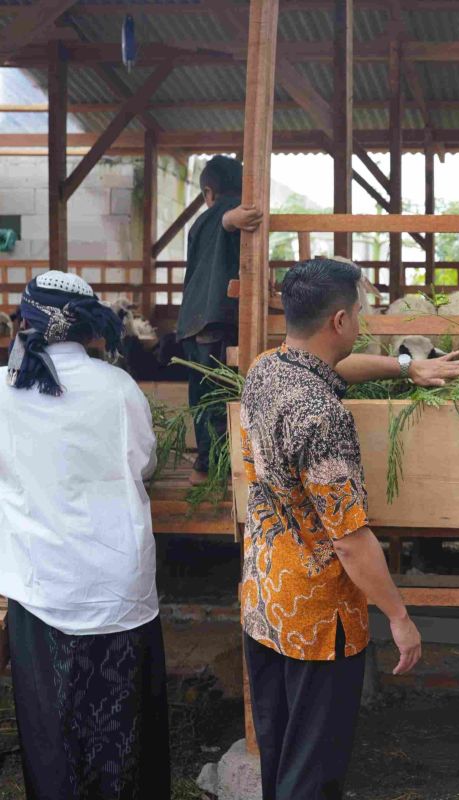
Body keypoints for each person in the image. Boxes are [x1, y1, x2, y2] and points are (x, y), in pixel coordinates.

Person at [239, 257, 459, 800]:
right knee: (313, 772)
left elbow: (335, 370)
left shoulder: (267, 369)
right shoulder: (322, 417)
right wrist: (399, 615)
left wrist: (406, 368)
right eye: (360, 312)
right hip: (320, 620)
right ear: (339, 321)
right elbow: (348, 538)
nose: (363, 320)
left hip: (267, 599)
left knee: (282, 756)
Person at [0, 271, 169, 799]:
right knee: (122, 722)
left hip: (42, 584)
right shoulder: (117, 387)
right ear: (88, 327)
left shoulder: (5, 392)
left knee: (51, 730)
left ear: (24, 323)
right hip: (117, 587)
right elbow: (143, 463)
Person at [178, 155, 262, 486]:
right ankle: (211, 466)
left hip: (204, 320)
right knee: (213, 396)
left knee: (207, 396)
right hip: (210, 321)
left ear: (207, 191)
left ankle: (213, 464)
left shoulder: (203, 218)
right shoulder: (215, 217)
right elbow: (225, 219)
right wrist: (236, 216)